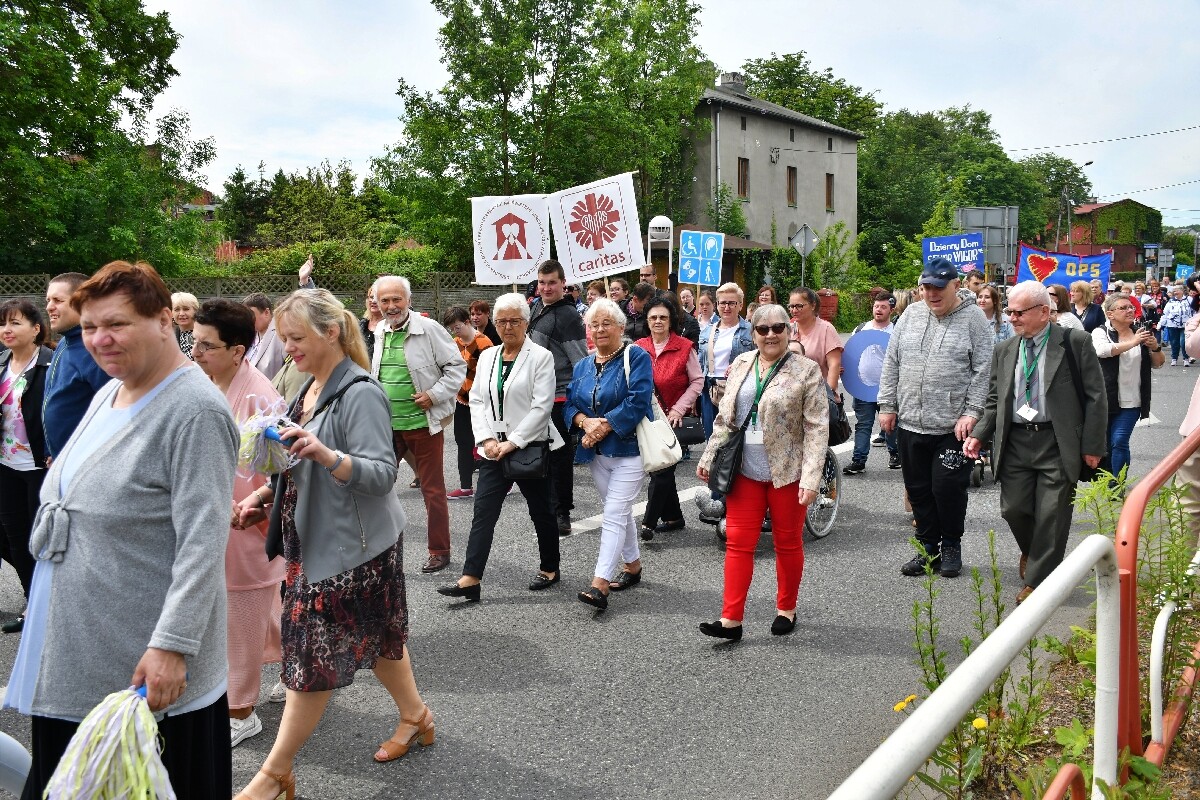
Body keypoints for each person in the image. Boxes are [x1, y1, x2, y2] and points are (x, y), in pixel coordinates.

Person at [6, 260, 239, 799]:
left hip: (141, 666)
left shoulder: (195, 411)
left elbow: (203, 544)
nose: (100, 339)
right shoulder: (111, 391)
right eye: (90, 327)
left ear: (164, 321)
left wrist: (172, 647)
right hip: (82, 649)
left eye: (117, 324)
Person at [231, 288, 433, 800]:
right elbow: (296, 458)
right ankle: (416, 716)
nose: (288, 348)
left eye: (296, 338)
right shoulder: (309, 385)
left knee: (310, 663)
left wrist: (326, 455)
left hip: (351, 551)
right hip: (317, 541)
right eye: (284, 338)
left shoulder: (360, 391)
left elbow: (382, 475)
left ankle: (275, 773)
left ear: (331, 332)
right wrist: (263, 494)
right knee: (378, 635)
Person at [964, 282, 1108, 604]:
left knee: (1052, 513)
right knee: (1013, 509)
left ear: (1044, 312)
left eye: (1019, 312)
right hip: (1015, 440)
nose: (1011, 318)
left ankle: (1038, 581)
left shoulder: (1075, 342)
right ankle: (1035, 552)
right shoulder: (1004, 349)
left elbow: (1096, 397)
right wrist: (978, 434)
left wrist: (1093, 445)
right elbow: (994, 400)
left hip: (1057, 442)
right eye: (1009, 311)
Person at [695, 304, 829, 641]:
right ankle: (731, 620)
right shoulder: (742, 363)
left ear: (789, 330)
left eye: (778, 328)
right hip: (745, 469)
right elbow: (726, 417)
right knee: (738, 544)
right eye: (763, 329)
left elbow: (816, 428)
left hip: (788, 472)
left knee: (787, 542)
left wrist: (812, 478)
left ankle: (786, 608)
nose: (771, 334)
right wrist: (709, 455)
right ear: (752, 334)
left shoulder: (807, 370)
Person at [191, 299, 286, 748]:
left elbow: (281, 472)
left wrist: (251, 506)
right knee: (260, 609)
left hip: (246, 522)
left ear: (237, 350)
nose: (196, 353)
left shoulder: (260, 396)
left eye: (207, 346)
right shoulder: (203, 382)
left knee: (241, 614)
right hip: (211, 514)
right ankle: (297, 662)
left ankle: (241, 710)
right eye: (194, 343)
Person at [436, 293, 564, 602]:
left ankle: (550, 567)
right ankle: (470, 578)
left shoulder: (541, 357)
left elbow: (542, 407)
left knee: (541, 511)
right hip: (493, 449)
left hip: (529, 445)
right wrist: (487, 439)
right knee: (483, 512)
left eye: (514, 321)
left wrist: (513, 442)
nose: (508, 327)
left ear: (526, 323)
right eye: (502, 321)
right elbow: (477, 400)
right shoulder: (489, 356)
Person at [879, 258, 994, 579]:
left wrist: (972, 412)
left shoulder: (974, 319)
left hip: (953, 427)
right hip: (910, 422)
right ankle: (928, 548)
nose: (931, 294)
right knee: (918, 490)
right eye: (926, 287)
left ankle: (952, 545)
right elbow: (892, 361)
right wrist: (887, 404)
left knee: (947, 488)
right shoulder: (911, 315)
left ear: (955, 285)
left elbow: (983, 369)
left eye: (938, 288)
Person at [372, 276, 467, 573]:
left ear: (409, 300)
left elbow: (457, 367)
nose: (391, 306)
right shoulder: (379, 330)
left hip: (423, 425)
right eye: (385, 300)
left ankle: (439, 550)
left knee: (432, 490)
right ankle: (373, 550)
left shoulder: (428, 328)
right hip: (387, 426)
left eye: (396, 299)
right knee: (374, 486)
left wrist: (433, 395)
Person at [565, 299, 654, 612]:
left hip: (630, 449)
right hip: (597, 453)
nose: (600, 329)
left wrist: (603, 425)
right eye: (594, 324)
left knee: (614, 513)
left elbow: (638, 400)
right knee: (620, 511)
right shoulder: (582, 365)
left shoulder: (636, 356)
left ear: (621, 326)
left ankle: (599, 583)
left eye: (606, 323)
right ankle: (633, 565)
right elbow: (569, 405)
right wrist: (584, 422)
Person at [0, 301, 53, 633]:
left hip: (40, 467)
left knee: (42, 539)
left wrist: (56, 448)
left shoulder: (51, 364)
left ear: (36, 329)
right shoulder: (1, 364)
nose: (7, 330)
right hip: (6, 464)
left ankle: (51, 603)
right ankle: (33, 601)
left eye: (15, 323)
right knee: (16, 537)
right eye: (2, 324)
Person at [528, 260, 589, 535]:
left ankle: (562, 512)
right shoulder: (536, 307)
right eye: (542, 282)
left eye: (552, 282)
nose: (546, 288)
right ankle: (548, 507)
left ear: (563, 284)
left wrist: (580, 400)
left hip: (560, 396)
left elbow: (580, 361)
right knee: (542, 454)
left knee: (560, 457)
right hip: (537, 395)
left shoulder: (568, 315)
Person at [635, 296, 702, 539]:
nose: (658, 321)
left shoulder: (685, 347)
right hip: (645, 418)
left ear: (671, 320)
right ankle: (674, 517)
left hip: (673, 419)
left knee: (661, 468)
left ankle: (649, 523)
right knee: (663, 467)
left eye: (663, 317)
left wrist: (679, 409)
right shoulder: (638, 347)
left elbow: (697, 381)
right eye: (653, 317)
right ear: (647, 320)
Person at [40, 272, 110, 462]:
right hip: (61, 460)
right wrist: (50, 450)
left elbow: (113, 413)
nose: (49, 307)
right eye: (48, 300)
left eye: (58, 300)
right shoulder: (64, 343)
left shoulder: (96, 351)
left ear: (83, 302)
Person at [1094, 293, 1165, 479]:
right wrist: (1134, 342)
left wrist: (1155, 348)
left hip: (1133, 400)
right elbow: (1102, 351)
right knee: (1107, 444)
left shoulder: (1141, 332)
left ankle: (1117, 483)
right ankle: (1108, 478)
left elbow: (1158, 363)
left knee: (1119, 441)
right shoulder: (1101, 332)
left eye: (1131, 307)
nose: (1129, 311)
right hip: (1106, 399)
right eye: (1123, 308)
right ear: (1110, 314)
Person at [843, 293, 900, 475]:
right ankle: (858, 460)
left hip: (888, 389)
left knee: (891, 424)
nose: (878, 310)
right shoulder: (861, 329)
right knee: (863, 425)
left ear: (891, 310)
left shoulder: (896, 332)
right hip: (863, 387)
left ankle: (896, 455)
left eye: (883, 307)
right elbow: (850, 353)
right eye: (876, 306)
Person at [442, 305, 493, 500]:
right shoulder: (454, 343)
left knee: (488, 441)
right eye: (451, 328)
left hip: (482, 402)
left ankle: (499, 483)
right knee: (463, 442)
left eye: (457, 327)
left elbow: (489, 373)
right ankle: (465, 487)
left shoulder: (484, 342)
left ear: (466, 322)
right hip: (462, 401)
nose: (455, 331)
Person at [698, 283, 754, 438]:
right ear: (717, 305)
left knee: (734, 437)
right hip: (710, 388)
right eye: (723, 303)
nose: (726, 307)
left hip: (739, 387)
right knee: (712, 436)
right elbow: (700, 363)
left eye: (731, 303)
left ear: (740, 305)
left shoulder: (750, 330)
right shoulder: (707, 331)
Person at [788, 287, 844, 394]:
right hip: (793, 395)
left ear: (813, 305)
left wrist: (829, 395)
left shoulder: (826, 329)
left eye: (799, 306)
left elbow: (834, 365)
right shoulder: (787, 330)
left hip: (818, 395)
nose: (794, 310)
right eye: (791, 306)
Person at [242, 293, 286, 380]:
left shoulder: (281, 334)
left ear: (266, 312)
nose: (247, 319)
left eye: (251, 315)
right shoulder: (249, 335)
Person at [1159, 283, 1193, 366]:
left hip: (1186, 325)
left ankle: (1186, 358)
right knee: (1174, 342)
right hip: (1172, 325)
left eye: (1177, 290)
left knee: (1184, 342)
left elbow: (1195, 311)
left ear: (1182, 291)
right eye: (1174, 291)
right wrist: (1160, 324)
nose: (1175, 292)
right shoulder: (1170, 301)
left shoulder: (1189, 299)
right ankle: (1174, 358)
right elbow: (1165, 313)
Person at [171, 291, 199, 359]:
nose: (181, 314)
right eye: (177, 309)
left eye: (186, 309)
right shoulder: (170, 336)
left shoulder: (204, 333)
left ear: (195, 311)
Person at [360, 285, 384, 361]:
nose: (373, 301)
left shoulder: (391, 326)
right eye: (371, 297)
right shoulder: (361, 324)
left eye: (378, 298)